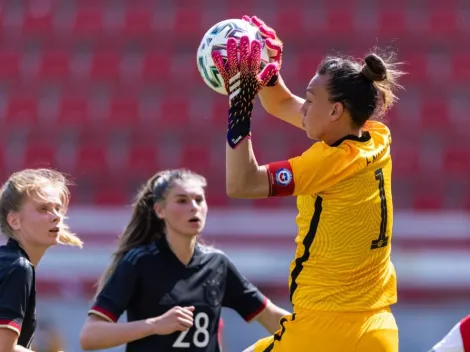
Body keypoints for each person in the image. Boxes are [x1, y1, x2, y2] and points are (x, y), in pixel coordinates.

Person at [211, 15, 405, 352]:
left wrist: (239, 103)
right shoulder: (375, 136)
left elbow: (241, 183)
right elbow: (283, 104)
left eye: (310, 98)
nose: (303, 106)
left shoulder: (327, 163)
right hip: (378, 330)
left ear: (335, 112)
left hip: (325, 330)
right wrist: (269, 69)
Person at [79, 169, 289, 351]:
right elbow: (90, 336)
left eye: (199, 200)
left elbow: (273, 318)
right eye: (182, 201)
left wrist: (317, 333)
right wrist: (154, 325)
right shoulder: (139, 262)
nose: (194, 207)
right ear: (160, 210)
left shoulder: (218, 264)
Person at [0, 168, 83, 351]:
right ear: (14, 221)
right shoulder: (18, 267)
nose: (56, 216)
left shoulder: (8, 263)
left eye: (57, 208)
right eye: (43, 209)